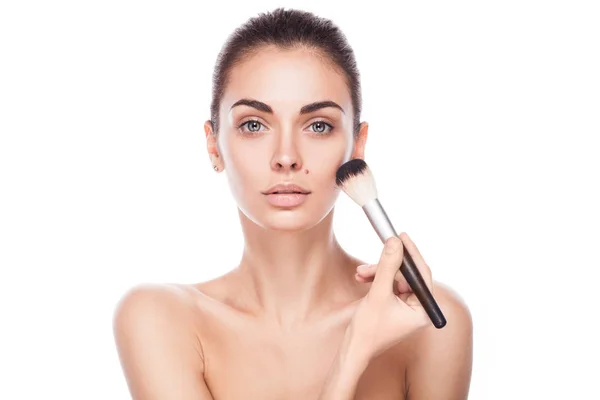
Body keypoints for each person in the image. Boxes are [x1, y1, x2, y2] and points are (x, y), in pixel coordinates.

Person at [113, 7, 473, 399]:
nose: (286, 156)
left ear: (357, 146)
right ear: (213, 145)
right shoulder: (159, 319)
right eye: (254, 124)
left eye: (318, 126)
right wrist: (352, 353)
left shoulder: (431, 321)